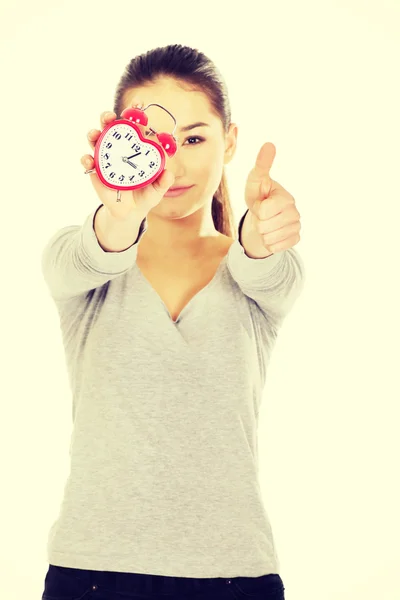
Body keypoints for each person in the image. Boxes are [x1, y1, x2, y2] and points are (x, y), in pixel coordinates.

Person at [40, 43, 304, 600]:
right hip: (91, 573)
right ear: (119, 140)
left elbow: (267, 269)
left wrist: (259, 236)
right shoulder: (78, 262)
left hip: (234, 576)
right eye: (155, 142)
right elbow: (94, 252)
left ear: (230, 141)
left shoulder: (259, 273)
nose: (175, 164)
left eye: (195, 138)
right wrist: (121, 210)